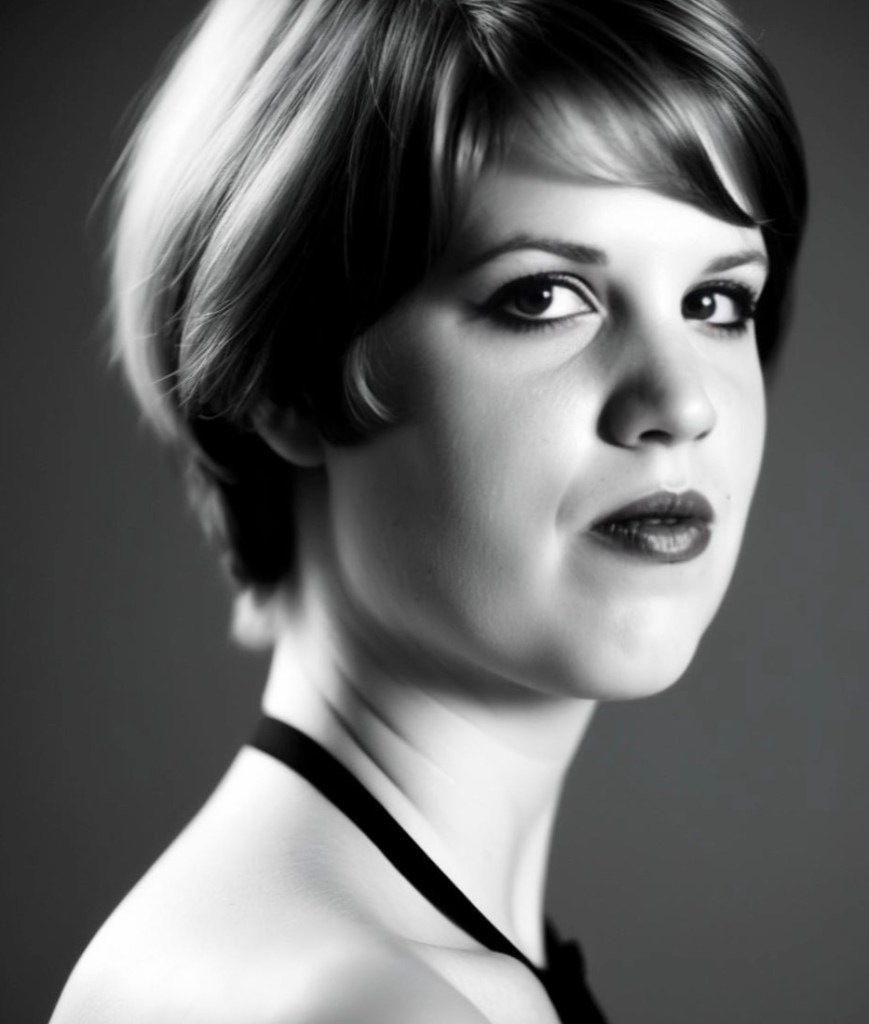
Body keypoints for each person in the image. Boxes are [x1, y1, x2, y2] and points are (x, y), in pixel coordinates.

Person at [49, 0, 807, 1021]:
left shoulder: (272, 954)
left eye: (715, 303)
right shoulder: (374, 1003)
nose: (680, 403)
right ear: (286, 378)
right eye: (541, 296)